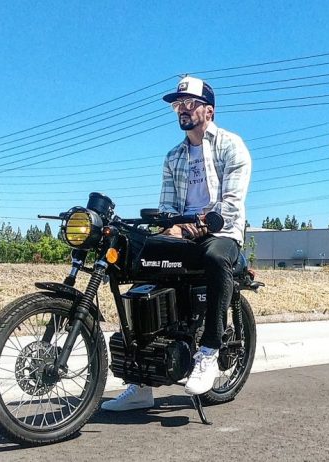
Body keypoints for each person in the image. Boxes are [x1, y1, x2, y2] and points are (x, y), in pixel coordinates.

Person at [101, 76, 251, 411]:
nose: (182, 109)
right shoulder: (173, 157)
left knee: (215, 257)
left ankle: (209, 351)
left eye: (189, 103)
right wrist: (170, 227)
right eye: (178, 104)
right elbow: (167, 207)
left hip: (221, 233)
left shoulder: (231, 146)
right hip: (183, 232)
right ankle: (141, 382)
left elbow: (231, 203)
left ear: (209, 110)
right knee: (140, 262)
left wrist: (199, 225)